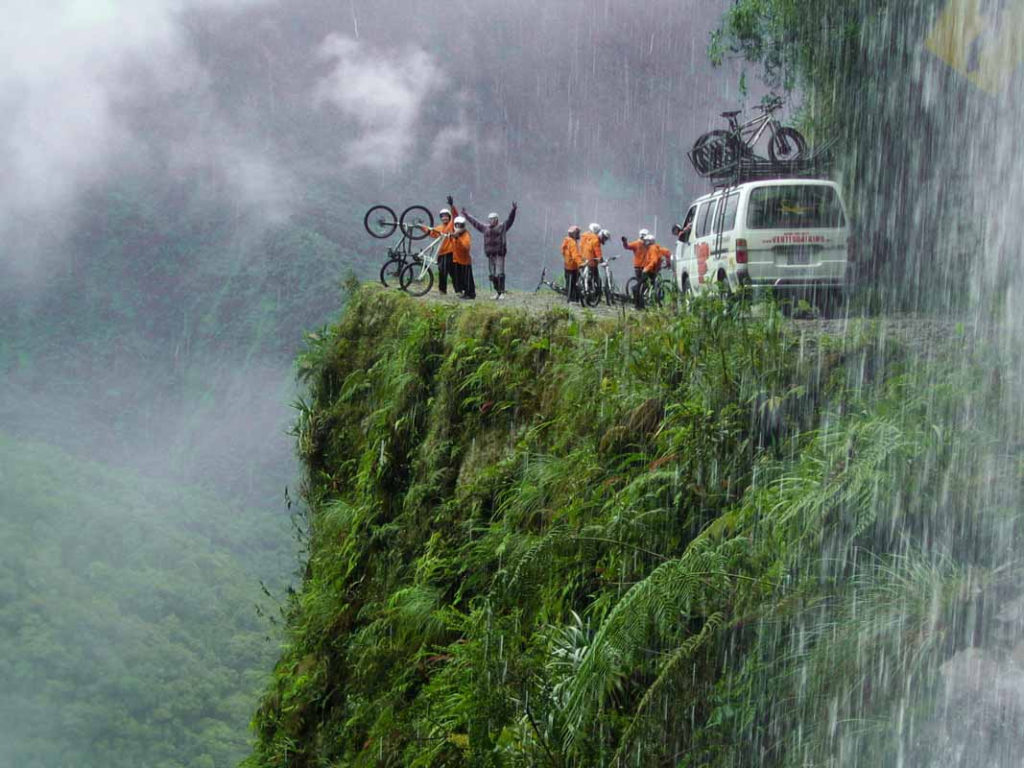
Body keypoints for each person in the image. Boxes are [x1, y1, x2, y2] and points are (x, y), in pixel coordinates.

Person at [462, 203, 517, 300]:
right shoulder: (485, 228)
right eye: (490, 219)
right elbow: (475, 223)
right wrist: (466, 215)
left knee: (500, 273)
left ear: (497, 219)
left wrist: (513, 210)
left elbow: (510, 220)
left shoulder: (502, 227)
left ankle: (502, 293)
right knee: (492, 274)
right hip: (490, 254)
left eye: (493, 219)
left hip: (499, 254)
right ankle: (497, 292)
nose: (491, 221)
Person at [421, 195, 459, 294]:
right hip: (442, 254)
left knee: (454, 273)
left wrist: (452, 206)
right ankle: (442, 291)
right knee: (442, 272)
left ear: (449, 217)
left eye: (446, 216)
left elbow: (455, 216)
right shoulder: (439, 228)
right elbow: (431, 232)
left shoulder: (452, 225)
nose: (444, 218)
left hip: (451, 253)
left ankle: (458, 290)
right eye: (442, 216)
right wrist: (421, 226)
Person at [622, 228, 650, 308]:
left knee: (641, 284)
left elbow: (627, 246)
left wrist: (624, 242)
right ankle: (639, 302)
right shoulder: (645, 244)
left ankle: (639, 303)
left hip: (638, 267)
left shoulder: (637, 243)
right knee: (643, 285)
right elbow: (627, 246)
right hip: (643, 267)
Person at [450, 216, 476, 300]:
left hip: (465, 261)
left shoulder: (466, 235)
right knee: (460, 278)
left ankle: (471, 293)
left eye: (460, 225)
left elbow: (466, 247)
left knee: (468, 278)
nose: (458, 228)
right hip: (457, 259)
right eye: (456, 225)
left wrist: (458, 238)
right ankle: (465, 292)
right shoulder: (455, 235)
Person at [579, 222, 603, 298]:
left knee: (583, 276)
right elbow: (597, 250)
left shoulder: (584, 236)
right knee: (595, 277)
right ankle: (595, 294)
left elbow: (581, 246)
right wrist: (600, 259)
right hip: (592, 261)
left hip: (583, 259)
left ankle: (582, 291)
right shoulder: (595, 238)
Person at [561, 225, 583, 304]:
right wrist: (580, 263)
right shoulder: (573, 243)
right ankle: (575, 298)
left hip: (567, 265)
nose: (578, 235)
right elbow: (575, 255)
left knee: (568, 282)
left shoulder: (566, 240)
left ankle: (569, 296)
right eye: (577, 233)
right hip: (573, 266)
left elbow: (562, 251)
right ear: (574, 234)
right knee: (575, 282)